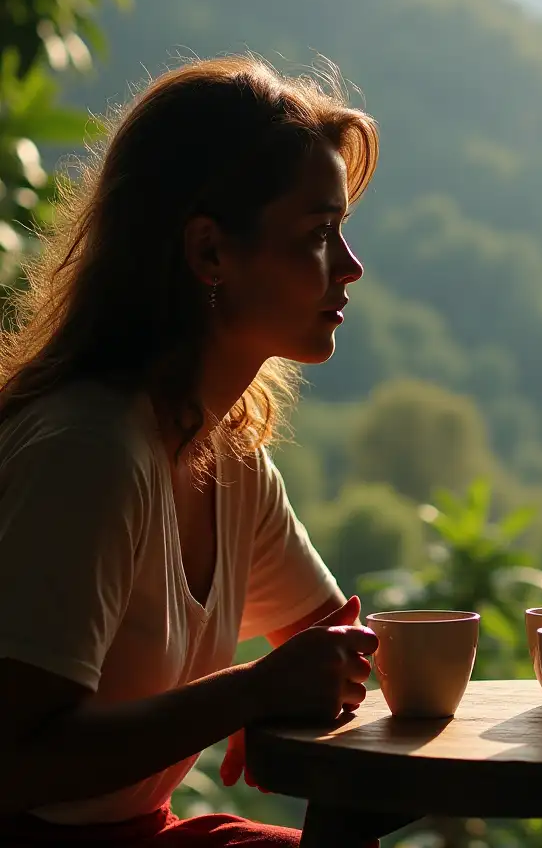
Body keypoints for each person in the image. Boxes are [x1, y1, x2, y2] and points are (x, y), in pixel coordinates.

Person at [0, 56, 384, 846]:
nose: (350, 268)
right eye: (318, 235)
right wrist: (246, 695)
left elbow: (332, 643)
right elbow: (13, 763)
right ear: (210, 253)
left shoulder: (228, 453)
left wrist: (307, 679)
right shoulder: (91, 454)